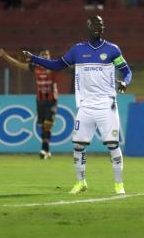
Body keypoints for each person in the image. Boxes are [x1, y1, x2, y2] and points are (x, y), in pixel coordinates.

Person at [22, 15, 133, 195]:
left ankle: (119, 184)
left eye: (101, 25)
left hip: (107, 104)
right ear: (88, 28)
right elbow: (57, 64)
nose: (98, 28)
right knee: (78, 145)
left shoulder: (112, 50)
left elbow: (126, 71)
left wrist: (125, 82)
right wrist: (35, 58)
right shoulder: (77, 50)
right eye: (94, 25)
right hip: (86, 106)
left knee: (112, 144)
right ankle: (81, 182)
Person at [0, 47, 58, 160]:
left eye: (47, 55)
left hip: (51, 100)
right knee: (43, 126)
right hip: (40, 101)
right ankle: (47, 150)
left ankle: (44, 150)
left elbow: (69, 65)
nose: (46, 57)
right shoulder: (34, 67)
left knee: (47, 124)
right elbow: (18, 64)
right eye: (43, 55)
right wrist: (4, 55)